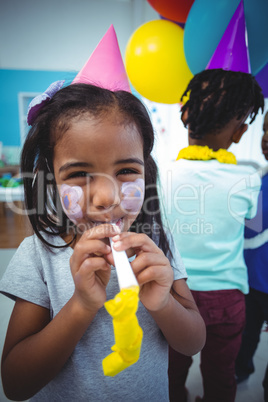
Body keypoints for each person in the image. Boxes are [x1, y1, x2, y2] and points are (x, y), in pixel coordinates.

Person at [0, 79, 206, 399]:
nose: (107, 198)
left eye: (126, 170)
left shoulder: (159, 246)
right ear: (52, 181)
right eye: (79, 174)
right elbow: (15, 383)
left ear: (145, 172)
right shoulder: (38, 255)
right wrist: (81, 305)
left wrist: (163, 303)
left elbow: (193, 342)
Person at [160, 68, 264, 402]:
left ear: (185, 114)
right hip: (228, 298)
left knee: (170, 369)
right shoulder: (247, 181)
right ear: (240, 132)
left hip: (174, 292)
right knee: (221, 375)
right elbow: (251, 223)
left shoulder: (161, 175)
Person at [235, 111, 268, 402]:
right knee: (247, 333)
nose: (266, 138)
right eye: (265, 130)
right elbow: (247, 228)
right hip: (253, 278)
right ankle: (241, 371)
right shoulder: (257, 179)